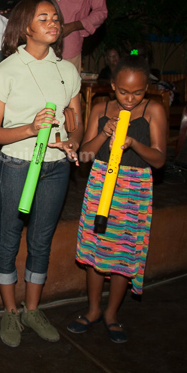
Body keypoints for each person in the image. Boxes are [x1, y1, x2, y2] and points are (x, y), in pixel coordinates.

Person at [0, 0, 83, 348]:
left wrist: (72, 141)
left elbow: (76, 122)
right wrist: (29, 128)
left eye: (56, 17)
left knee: (41, 240)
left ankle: (33, 309)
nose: (54, 23)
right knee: (9, 237)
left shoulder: (67, 71)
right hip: (17, 165)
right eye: (44, 18)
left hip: (56, 168)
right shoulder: (5, 71)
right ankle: (10, 311)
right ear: (26, 27)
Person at [69, 52, 167, 343]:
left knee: (123, 252)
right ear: (113, 85)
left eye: (137, 92)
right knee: (96, 249)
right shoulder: (101, 108)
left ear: (146, 89)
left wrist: (133, 143)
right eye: (124, 91)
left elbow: (159, 159)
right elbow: (85, 154)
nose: (130, 98)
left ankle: (112, 313)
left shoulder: (153, 110)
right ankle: (93, 310)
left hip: (133, 188)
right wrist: (104, 133)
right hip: (101, 183)